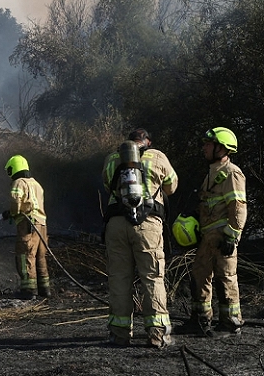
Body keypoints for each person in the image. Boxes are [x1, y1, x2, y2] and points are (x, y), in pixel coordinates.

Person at [101, 128, 178, 348]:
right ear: (147, 142)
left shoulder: (112, 159)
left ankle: (120, 333)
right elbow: (172, 186)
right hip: (148, 224)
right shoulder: (158, 156)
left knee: (118, 278)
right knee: (152, 277)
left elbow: (107, 184)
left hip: (116, 224)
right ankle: (157, 333)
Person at [189, 127, 246, 336]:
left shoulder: (232, 173)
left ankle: (231, 324)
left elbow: (238, 207)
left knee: (226, 278)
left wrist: (232, 236)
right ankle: (200, 320)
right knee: (199, 276)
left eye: (208, 144)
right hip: (207, 239)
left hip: (223, 238)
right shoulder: (211, 173)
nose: (204, 147)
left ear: (222, 148)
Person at [2, 155, 50, 300]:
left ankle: (28, 290)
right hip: (42, 225)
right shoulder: (37, 184)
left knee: (25, 255)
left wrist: (10, 213)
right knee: (40, 256)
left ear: (13, 168)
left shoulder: (18, 183)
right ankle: (44, 289)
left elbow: (16, 202)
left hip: (27, 224)